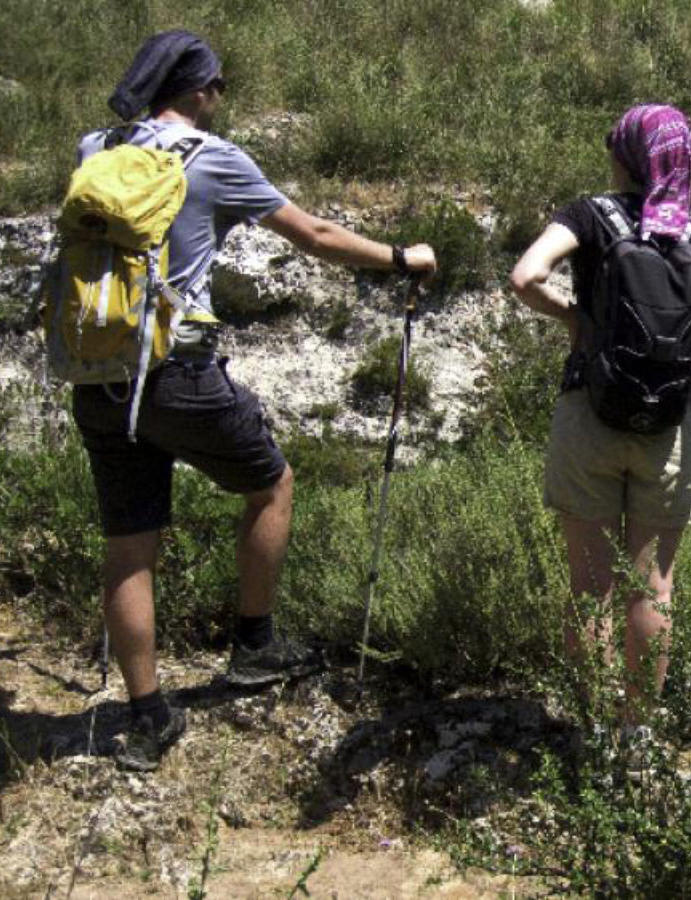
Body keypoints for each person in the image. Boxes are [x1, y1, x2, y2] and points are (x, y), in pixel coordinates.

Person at [71, 30, 437, 771]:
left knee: (129, 544)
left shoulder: (94, 148)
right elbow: (316, 234)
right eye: (219, 85)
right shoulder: (213, 158)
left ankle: (148, 718)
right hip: (179, 373)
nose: (222, 98)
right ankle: (255, 645)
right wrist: (402, 258)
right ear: (198, 90)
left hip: (100, 375)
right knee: (271, 484)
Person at [509, 104, 691, 731]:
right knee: (653, 586)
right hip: (669, 427)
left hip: (590, 414)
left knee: (590, 587)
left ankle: (592, 733)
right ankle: (638, 734)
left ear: (625, 157)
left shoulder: (589, 215)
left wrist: (577, 320)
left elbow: (526, 276)